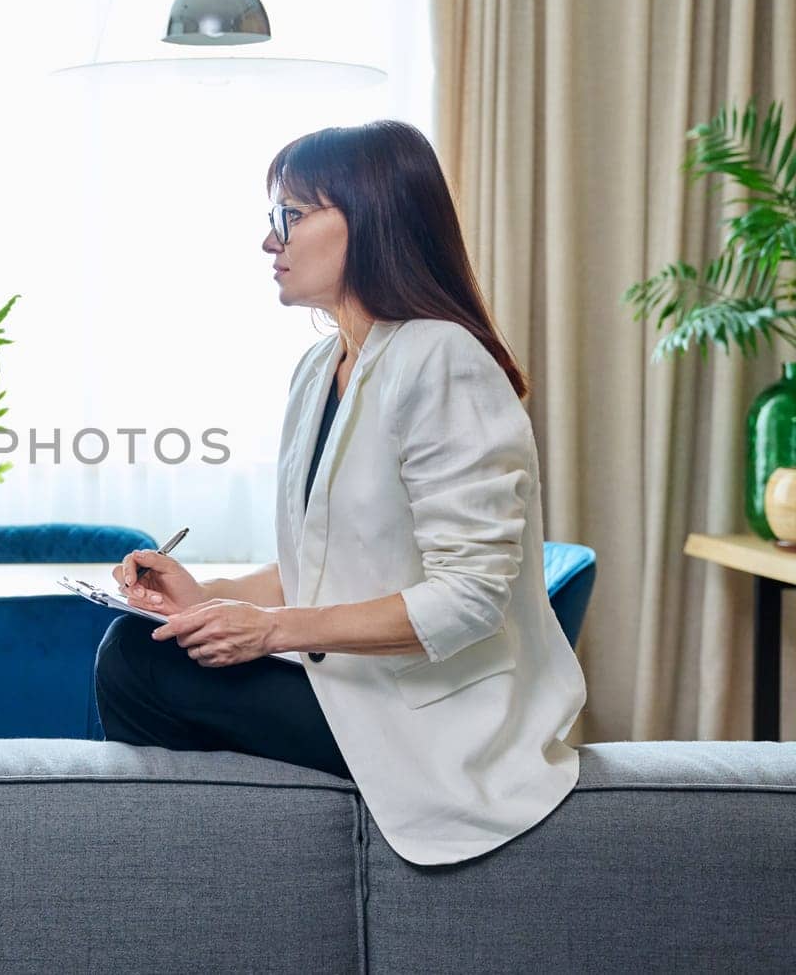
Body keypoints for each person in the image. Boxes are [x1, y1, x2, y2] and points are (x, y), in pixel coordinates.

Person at [93, 120, 587, 866]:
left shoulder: (443, 359)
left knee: (135, 663)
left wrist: (271, 630)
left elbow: (472, 597)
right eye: (273, 218)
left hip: (440, 718)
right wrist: (204, 593)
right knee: (142, 640)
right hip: (358, 685)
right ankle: (209, 867)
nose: (270, 240)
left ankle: (177, 871)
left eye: (290, 216)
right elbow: (323, 566)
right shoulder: (320, 368)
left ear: (372, 217)